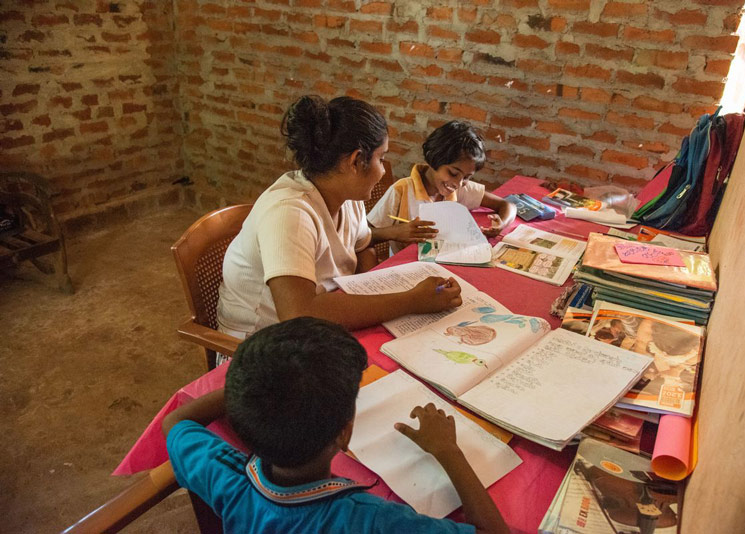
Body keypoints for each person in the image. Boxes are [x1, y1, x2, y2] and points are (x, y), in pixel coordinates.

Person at [162, 318, 509, 534]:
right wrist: (449, 451)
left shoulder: (227, 475)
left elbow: (175, 421)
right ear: (345, 433)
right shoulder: (369, 520)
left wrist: (254, 385)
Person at [215, 96, 462, 348]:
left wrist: (368, 287)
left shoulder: (345, 196)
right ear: (356, 161)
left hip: (319, 324)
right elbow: (298, 313)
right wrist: (411, 300)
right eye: (381, 158)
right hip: (261, 345)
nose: (384, 170)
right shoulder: (290, 213)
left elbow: (361, 244)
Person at [368, 120, 516, 255]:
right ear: (434, 159)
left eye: (467, 177)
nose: (458, 183)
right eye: (453, 173)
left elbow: (507, 205)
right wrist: (395, 232)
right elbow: (363, 235)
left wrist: (501, 223)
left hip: (445, 263)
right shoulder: (401, 191)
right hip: (403, 268)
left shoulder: (460, 189)